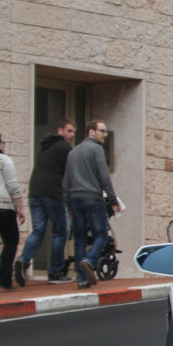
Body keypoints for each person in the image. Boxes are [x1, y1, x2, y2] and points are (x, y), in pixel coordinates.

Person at [14, 119, 75, 286]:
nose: (72, 135)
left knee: (38, 231)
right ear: (60, 130)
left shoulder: (44, 145)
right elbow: (71, 174)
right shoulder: (64, 148)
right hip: (53, 194)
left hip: (35, 193)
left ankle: (24, 260)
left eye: (74, 132)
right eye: (69, 131)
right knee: (60, 232)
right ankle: (55, 272)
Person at [62, 120, 118, 288]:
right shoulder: (96, 149)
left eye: (106, 131)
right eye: (102, 131)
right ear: (91, 132)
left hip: (75, 200)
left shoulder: (73, 152)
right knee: (100, 235)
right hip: (93, 198)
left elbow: (65, 182)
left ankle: (81, 278)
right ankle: (89, 260)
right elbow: (104, 177)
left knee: (79, 239)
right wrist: (113, 199)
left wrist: (68, 205)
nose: (105, 134)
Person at [0, 132, 28, 292]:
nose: (4, 145)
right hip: (3, 207)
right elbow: (13, 185)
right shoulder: (4, 160)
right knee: (11, 240)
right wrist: (21, 207)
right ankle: (4, 278)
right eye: (3, 142)